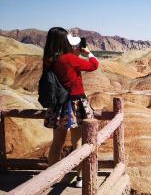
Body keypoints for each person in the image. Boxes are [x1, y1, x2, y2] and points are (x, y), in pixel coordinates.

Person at [42, 27, 99, 188]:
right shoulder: (69, 59)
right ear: (64, 42)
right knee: (78, 142)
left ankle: (49, 178)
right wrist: (88, 53)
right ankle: (80, 178)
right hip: (75, 104)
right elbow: (94, 65)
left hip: (57, 105)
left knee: (57, 143)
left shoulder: (48, 59)